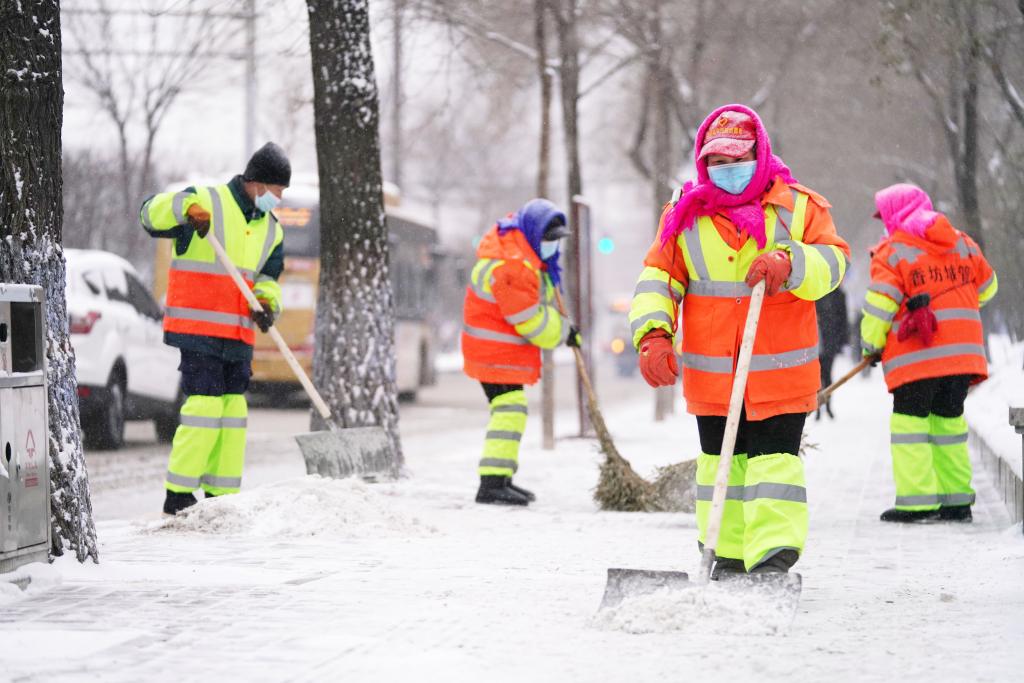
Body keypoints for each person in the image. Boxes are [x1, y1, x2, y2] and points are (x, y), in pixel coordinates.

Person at [628, 105, 850, 577]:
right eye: (718, 163)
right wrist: (652, 334)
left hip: (781, 372)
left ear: (760, 152)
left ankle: (773, 554)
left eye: (739, 159)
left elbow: (834, 264)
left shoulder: (801, 208)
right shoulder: (683, 214)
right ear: (703, 163)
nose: (729, 171)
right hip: (713, 375)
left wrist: (790, 263)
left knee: (774, 463)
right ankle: (725, 554)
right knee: (720, 464)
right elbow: (658, 278)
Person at [140, 142, 289, 516]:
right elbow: (150, 212)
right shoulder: (207, 200)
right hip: (198, 327)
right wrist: (186, 210)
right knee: (204, 407)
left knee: (233, 411)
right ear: (256, 183)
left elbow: (268, 278)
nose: (278, 199)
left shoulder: (272, 230)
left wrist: (268, 304)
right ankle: (179, 494)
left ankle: (221, 495)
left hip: (238, 332)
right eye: (276, 191)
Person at [860, 183, 997, 524]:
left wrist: (871, 345)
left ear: (895, 215)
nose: (884, 223)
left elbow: (880, 305)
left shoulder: (893, 251)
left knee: (910, 427)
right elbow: (988, 287)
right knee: (948, 426)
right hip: (962, 357)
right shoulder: (962, 242)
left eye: (885, 216)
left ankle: (918, 503)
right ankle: (956, 502)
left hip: (916, 358)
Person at [462, 198, 580, 506]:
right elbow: (529, 320)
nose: (553, 246)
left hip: (495, 351)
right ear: (533, 234)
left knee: (510, 410)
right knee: (509, 410)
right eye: (549, 240)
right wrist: (565, 332)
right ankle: (491, 484)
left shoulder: (517, 255)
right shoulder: (513, 265)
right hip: (493, 353)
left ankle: (501, 479)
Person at [815, 286, 849, 419]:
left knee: (827, 375)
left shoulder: (839, 294)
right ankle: (817, 407)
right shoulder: (816, 292)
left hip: (829, 342)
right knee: (817, 377)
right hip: (818, 340)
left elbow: (843, 320)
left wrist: (842, 342)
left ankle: (828, 406)